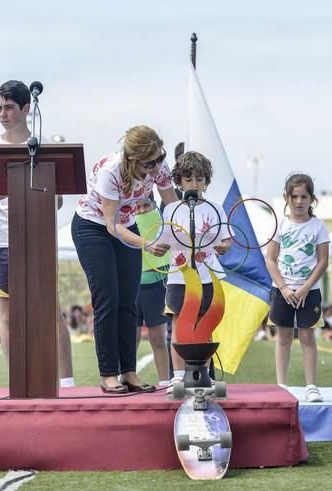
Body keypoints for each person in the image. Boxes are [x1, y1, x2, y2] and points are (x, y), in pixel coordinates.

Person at [0, 80, 74, 388]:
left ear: (26, 108)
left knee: (50, 310)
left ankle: (66, 382)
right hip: (0, 240)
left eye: (9, 108)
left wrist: (44, 188)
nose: (2, 114)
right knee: (7, 313)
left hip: (37, 237)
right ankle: (17, 379)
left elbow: (57, 203)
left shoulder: (43, 147)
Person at [72, 125, 176, 393]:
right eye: (149, 163)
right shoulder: (111, 172)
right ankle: (109, 374)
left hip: (127, 224)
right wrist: (146, 244)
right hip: (93, 227)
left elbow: (172, 205)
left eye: (160, 158)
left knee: (129, 300)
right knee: (108, 298)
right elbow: (111, 226)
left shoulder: (158, 168)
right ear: (132, 159)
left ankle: (129, 372)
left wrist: (183, 233)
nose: (156, 167)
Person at [161, 151, 232, 390]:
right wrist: (159, 247)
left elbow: (226, 239)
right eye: (189, 179)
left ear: (206, 181)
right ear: (179, 181)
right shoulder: (171, 209)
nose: (194, 184)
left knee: (205, 323)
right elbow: (164, 239)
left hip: (207, 273)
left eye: (200, 179)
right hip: (178, 275)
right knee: (180, 323)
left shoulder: (216, 208)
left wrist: (223, 247)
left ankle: (203, 374)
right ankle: (178, 376)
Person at [265, 174, 329, 402]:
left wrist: (305, 288)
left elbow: (322, 261)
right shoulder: (279, 225)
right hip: (282, 291)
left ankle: (311, 385)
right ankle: (281, 385)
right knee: (283, 337)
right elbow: (270, 259)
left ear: (312, 199)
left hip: (308, 292)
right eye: (294, 196)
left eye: (304, 196)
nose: (299, 201)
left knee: (307, 336)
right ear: (286, 197)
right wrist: (283, 288)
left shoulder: (318, 226)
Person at [135, 199, 171, 387]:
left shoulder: (162, 223)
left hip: (156, 287)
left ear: (155, 206)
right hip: (133, 288)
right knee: (130, 339)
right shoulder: (127, 226)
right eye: (137, 207)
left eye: (146, 206)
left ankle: (165, 382)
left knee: (158, 338)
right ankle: (128, 377)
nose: (141, 211)